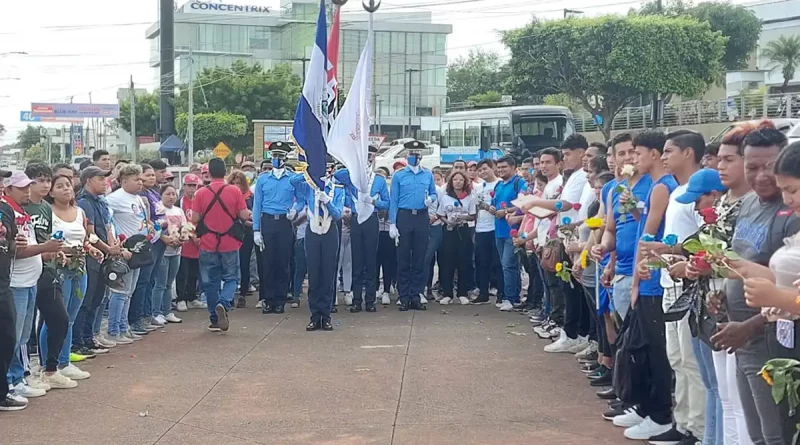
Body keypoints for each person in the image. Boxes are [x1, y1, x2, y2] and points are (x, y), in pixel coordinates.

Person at [710, 126, 800, 445]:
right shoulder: (749, 204)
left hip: (772, 340)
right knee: (757, 432)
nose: (761, 176)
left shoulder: (793, 214)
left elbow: (788, 289)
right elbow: (744, 260)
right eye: (752, 167)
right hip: (744, 336)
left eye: (770, 168)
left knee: (778, 433)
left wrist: (750, 325)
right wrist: (721, 290)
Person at [620, 130, 678, 440]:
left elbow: (649, 235)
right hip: (650, 277)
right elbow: (645, 220)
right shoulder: (659, 187)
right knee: (648, 349)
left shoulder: (661, 187)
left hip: (652, 279)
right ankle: (648, 408)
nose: (634, 160)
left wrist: (634, 283)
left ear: (653, 155)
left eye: (638, 154)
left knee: (657, 353)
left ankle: (660, 413)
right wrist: (633, 208)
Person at [43, 174, 103, 382]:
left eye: (68, 185)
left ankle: (64, 360)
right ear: (51, 192)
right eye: (59, 186)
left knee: (70, 317)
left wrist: (91, 249)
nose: (65, 189)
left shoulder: (80, 212)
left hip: (80, 268)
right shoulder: (48, 212)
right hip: (58, 269)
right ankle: (48, 364)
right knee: (56, 318)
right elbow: (46, 240)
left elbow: (84, 239)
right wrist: (66, 252)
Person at [22, 165, 76, 390]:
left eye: (47, 180)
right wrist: (43, 250)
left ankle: (51, 369)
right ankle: (23, 374)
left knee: (60, 319)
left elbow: (49, 236)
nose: (45, 185)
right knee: (23, 328)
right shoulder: (21, 207)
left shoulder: (45, 207)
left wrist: (58, 251)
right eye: (39, 180)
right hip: (25, 272)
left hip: (48, 271)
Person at [191, 158, 249, 332]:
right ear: (225, 172)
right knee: (231, 278)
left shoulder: (200, 193)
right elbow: (244, 215)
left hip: (208, 242)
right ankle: (224, 302)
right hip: (230, 241)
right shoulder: (234, 191)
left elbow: (194, 219)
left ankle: (214, 319)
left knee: (210, 282)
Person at [336, 146, 390, 313]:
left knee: (370, 260)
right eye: (364, 156)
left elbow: (387, 203)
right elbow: (338, 174)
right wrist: (354, 164)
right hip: (355, 218)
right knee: (357, 260)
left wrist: (374, 202)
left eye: (369, 156)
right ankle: (357, 300)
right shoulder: (352, 176)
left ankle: (371, 300)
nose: (367, 159)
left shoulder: (379, 180)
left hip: (371, 218)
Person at [292, 169, 345, 331]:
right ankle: (315, 316)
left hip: (330, 231)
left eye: (326, 168)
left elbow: (337, 214)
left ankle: (326, 316)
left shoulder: (338, 188)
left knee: (328, 274)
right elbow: (292, 181)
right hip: (313, 231)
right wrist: (308, 172)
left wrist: (327, 201)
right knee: (314, 274)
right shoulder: (309, 186)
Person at [74, 166, 118, 355]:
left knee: (97, 299)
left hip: (104, 255)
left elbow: (106, 226)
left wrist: (113, 246)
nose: (104, 182)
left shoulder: (100, 201)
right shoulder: (84, 202)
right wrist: (107, 248)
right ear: (88, 180)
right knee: (87, 300)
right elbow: (89, 233)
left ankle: (88, 336)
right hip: (91, 256)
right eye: (100, 178)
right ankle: (78, 341)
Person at [253, 143, 302, 315]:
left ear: (285, 159)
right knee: (267, 262)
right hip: (267, 221)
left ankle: (280, 299)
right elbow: (257, 206)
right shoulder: (263, 179)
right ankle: (268, 299)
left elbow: (301, 199)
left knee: (283, 262)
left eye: (280, 157)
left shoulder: (292, 178)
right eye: (274, 156)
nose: (276, 160)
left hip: (284, 221)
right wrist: (256, 230)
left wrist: (295, 210)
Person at [389, 141, 438, 311]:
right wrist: (393, 223)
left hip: (421, 216)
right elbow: (394, 201)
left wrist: (430, 199)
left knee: (419, 258)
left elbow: (433, 193)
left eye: (417, 153)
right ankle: (403, 297)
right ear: (406, 155)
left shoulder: (427, 174)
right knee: (403, 258)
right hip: (405, 216)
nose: (414, 156)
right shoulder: (399, 175)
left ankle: (415, 295)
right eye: (411, 153)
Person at [105, 163, 148, 344]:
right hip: (125, 250)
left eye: (140, 179)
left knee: (129, 292)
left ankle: (124, 327)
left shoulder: (137, 198)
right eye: (135, 179)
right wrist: (117, 244)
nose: (140, 182)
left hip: (139, 248)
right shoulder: (114, 198)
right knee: (120, 291)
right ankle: (114, 330)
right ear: (123, 181)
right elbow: (108, 222)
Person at [491, 155, 528, 312]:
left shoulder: (519, 183)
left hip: (513, 231)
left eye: (504, 167)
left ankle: (510, 298)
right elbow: (495, 204)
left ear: (514, 168)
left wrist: (506, 211)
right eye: (498, 168)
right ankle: (513, 296)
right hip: (499, 230)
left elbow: (525, 203)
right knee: (506, 265)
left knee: (509, 265)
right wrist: (493, 209)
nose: (500, 170)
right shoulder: (498, 185)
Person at [0, 168, 23, 410]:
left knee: (7, 337)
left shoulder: (4, 208)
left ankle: (2, 392)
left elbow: (12, 242)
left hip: (3, 283)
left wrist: (10, 241)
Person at [436, 171, 477, 305]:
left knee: (464, 262)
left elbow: (473, 215)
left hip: (464, 230)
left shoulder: (470, 197)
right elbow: (441, 214)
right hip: (449, 230)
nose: (458, 182)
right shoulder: (446, 197)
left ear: (465, 182)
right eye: (455, 180)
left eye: (460, 180)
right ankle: (447, 293)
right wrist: (448, 221)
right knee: (447, 262)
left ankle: (462, 293)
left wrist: (462, 217)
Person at [152, 183, 183, 324]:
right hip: (162, 251)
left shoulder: (178, 210)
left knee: (169, 283)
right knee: (160, 283)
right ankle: (155, 312)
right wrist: (166, 238)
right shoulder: (158, 208)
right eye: (168, 194)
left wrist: (182, 237)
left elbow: (185, 226)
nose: (171, 197)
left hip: (176, 251)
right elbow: (156, 227)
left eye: (173, 194)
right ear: (161, 195)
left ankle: (167, 310)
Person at [473, 159, 502, 305]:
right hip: (481, 228)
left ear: (493, 168)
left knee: (497, 263)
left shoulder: (500, 184)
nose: (482, 172)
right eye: (480, 170)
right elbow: (477, 205)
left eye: (485, 169)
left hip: (495, 227)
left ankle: (501, 294)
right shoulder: (479, 187)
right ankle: (483, 292)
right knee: (481, 262)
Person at [175, 174, 205, 312]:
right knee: (183, 272)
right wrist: (192, 236)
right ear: (184, 186)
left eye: (195, 185)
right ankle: (181, 298)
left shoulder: (200, 200)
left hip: (198, 242)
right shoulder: (180, 202)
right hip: (186, 241)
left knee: (194, 271)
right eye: (190, 185)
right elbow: (180, 221)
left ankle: (192, 297)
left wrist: (200, 236)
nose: (192, 188)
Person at [227, 171, 255, 309]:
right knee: (231, 265)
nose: (236, 186)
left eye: (239, 183)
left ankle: (243, 293)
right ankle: (230, 295)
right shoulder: (226, 196)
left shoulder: (250, 196)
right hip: (231, 232)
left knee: (244, 263)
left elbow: (252, 214)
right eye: (233, 183)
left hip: (246, 233)